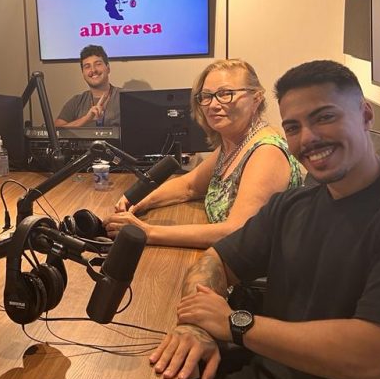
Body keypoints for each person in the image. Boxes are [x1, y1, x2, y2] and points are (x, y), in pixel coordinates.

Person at [150, 60, 380, 379]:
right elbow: (216, 259)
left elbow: (375, 359)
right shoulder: (293, 206)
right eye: (294, 127)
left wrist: (234, 323)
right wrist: (198, 328)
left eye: (324, 117)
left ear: (365, 115)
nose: (308, 138)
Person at [105, 59, 302, 249]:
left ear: (256, 98)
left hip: (243, 273)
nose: (213, 105)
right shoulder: (233, 143)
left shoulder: (266, 152)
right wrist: (138, 201)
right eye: (206, 96)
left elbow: (236, 232)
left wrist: (147, 232)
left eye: (226, 94)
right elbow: (189, 186)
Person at [55, 45, 122, 128]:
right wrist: (86, 119)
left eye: (98, 64)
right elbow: (55, 131)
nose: (93, 70)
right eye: (87, 66)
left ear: (108, 68)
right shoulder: (76, 102)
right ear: (83, 73)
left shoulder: (125, 97)